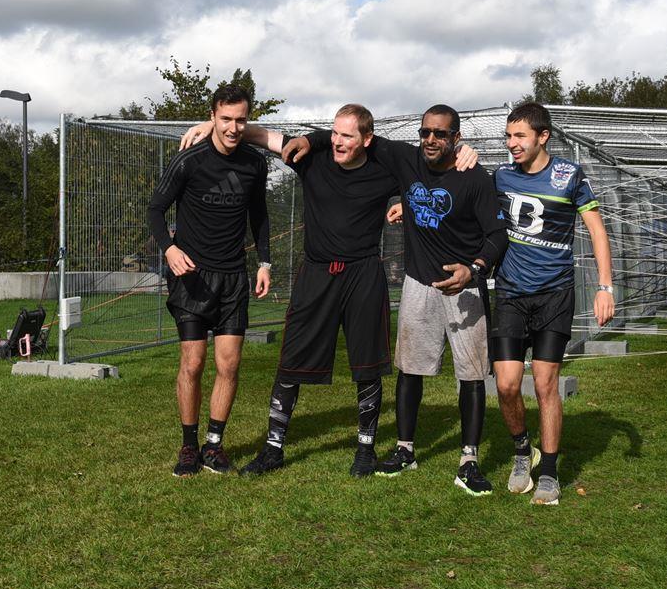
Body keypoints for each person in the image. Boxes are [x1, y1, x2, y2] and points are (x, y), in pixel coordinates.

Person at [176, 105, 476, 477]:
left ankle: (365, 450)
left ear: (366, 139)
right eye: (334, 133)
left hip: (363, 275)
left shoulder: (386, 169)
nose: (337, 141)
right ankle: (273, 449)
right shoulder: (310, 159)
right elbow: (264, 137)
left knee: (368, 367)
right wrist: (212, 127)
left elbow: (434, 167)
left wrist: (465, 152)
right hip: (316, 274)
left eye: (347, 135)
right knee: (290, 363)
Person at [299, 104, 507, 496]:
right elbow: (352, 136)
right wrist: (310, 139)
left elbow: (497, 235)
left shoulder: (475, 177)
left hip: (464, 287)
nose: (430, 139)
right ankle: (405, 450)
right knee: (409, 369)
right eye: (425, 131)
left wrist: (474, 269)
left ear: (456, 138)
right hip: (418, 282)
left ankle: (469, 460)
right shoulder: (405, 159)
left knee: (472, 374)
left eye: (440, 134)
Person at [488, 103, 615, 506]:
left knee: (545, 384)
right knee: (507, 385)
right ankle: (522, 450)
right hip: (510, 293)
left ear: (542, 136)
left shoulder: (569, 175)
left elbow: (597, 231)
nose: (512, 144)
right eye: (508, 136)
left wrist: (605, 287)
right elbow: (466, 205)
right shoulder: (500, 176)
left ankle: (549, 473)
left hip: (555, 295)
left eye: (519, 136)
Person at [146, 85, 272, 477]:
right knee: (194, 362)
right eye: (226, 119)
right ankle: (189, 446)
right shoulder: (190, 160)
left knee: (229, 364)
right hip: (192, 279)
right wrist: (169, 249)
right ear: (213, 117)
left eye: (241, 120)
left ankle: (214, 445)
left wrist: (264, 262)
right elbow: (155, 208)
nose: (233, 128)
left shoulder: (255, 164)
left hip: (233, 278)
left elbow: (260, 215)